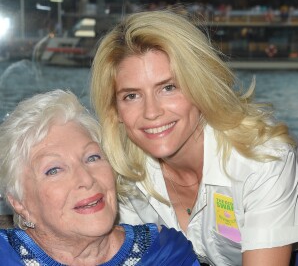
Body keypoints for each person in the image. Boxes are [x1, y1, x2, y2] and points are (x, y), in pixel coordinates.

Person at [90, 10, 298, 266]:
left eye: (168, 88)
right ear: (116, 111)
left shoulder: (263, 161)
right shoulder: (121, 175)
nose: (152, 112)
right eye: (131, 96)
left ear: (200, 87)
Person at [0, 89, 200, 266]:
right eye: (54, 170)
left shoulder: (164, 253)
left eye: (92, 157)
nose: (86, 179)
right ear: (19, 202)